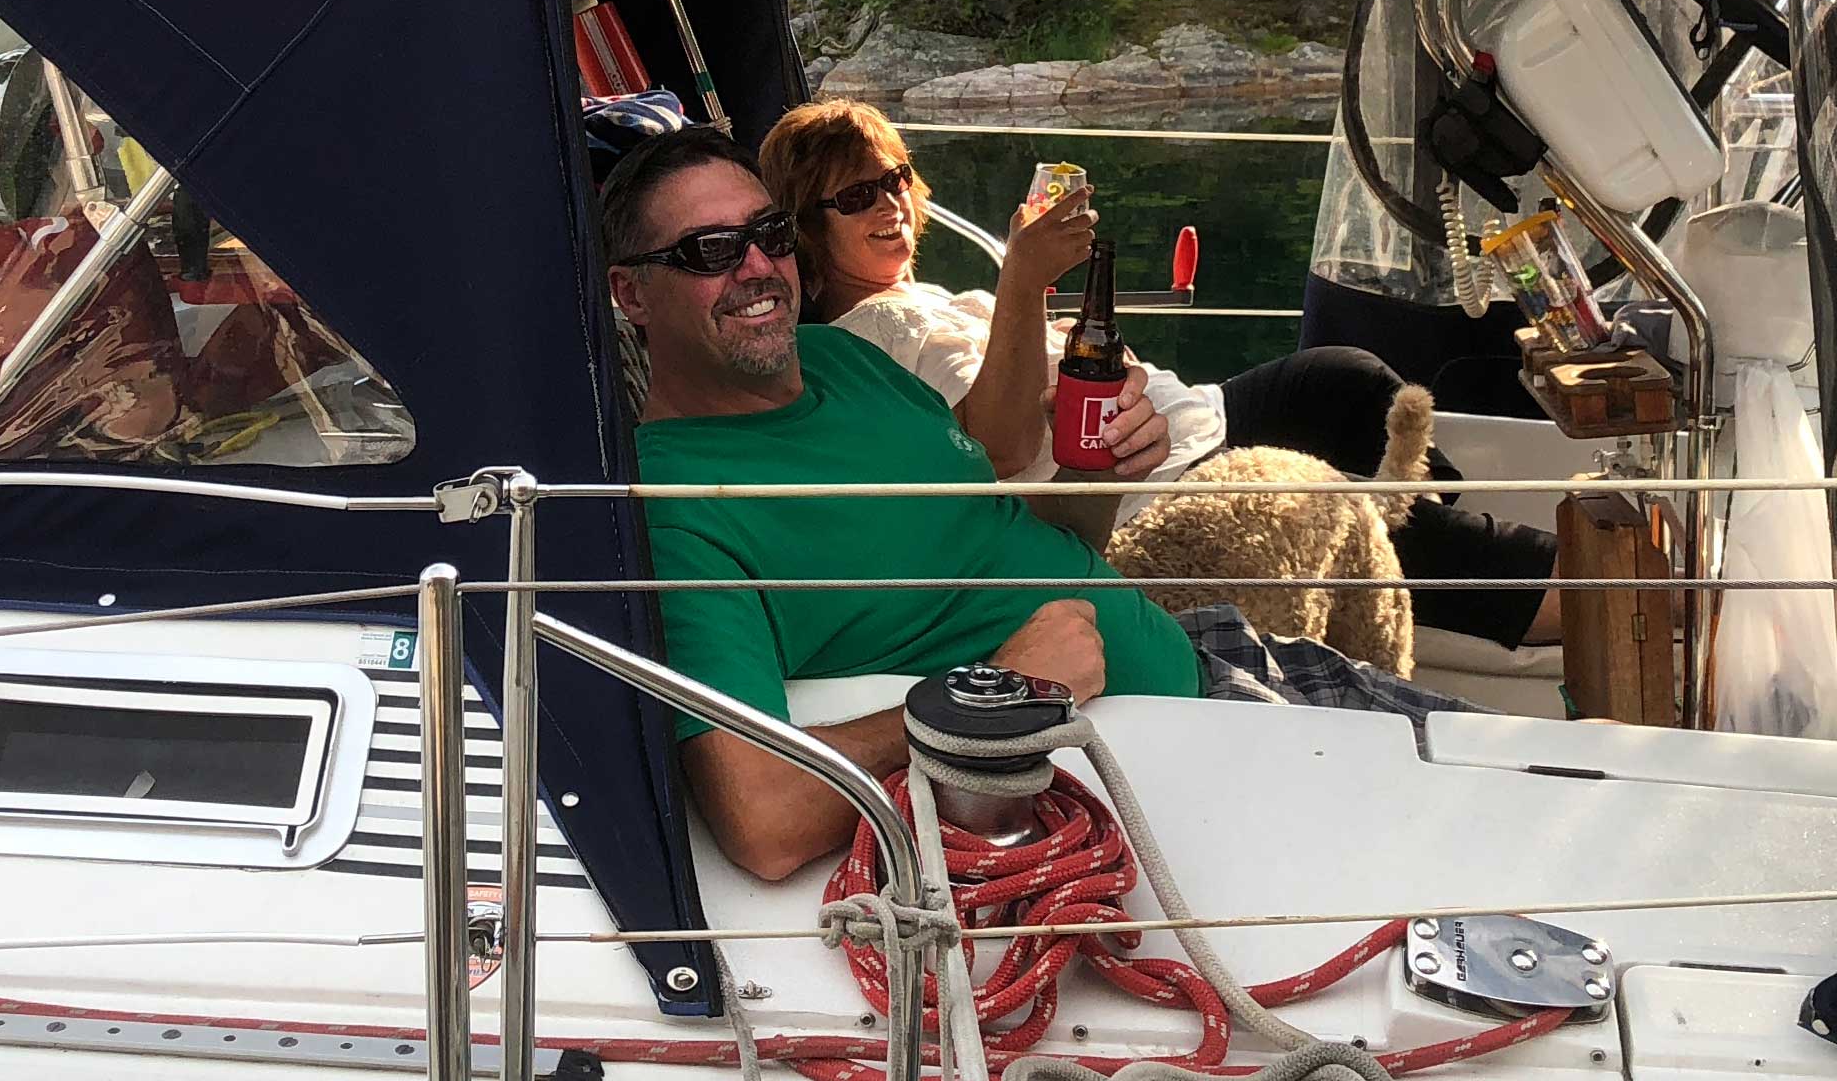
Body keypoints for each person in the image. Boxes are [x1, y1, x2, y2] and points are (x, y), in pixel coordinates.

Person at [602, 129, 1465, 880]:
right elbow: (763, 818)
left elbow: (992, 531)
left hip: (1209, 652)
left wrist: (1102, 477)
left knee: (1509, 764)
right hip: (1161, 756)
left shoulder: (843, 359)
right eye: (709, 251)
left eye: (768, 234)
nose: (758, 268)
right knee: (1486, 839)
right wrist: (1005, 692)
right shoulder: (674, 510)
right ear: (630, 294)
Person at [758, 100, 1564, 650]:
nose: (889, 204)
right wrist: (1024, 282)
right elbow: (996, 450)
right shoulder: (869, 334)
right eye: (855, 196)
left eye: (894, 178)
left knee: (1341, 377)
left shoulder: (922, 298)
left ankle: (1425, 548)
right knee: (1365, 506)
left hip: (1193, 424)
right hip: (1158, 483)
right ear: (803, 231)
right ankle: (1542, 592)